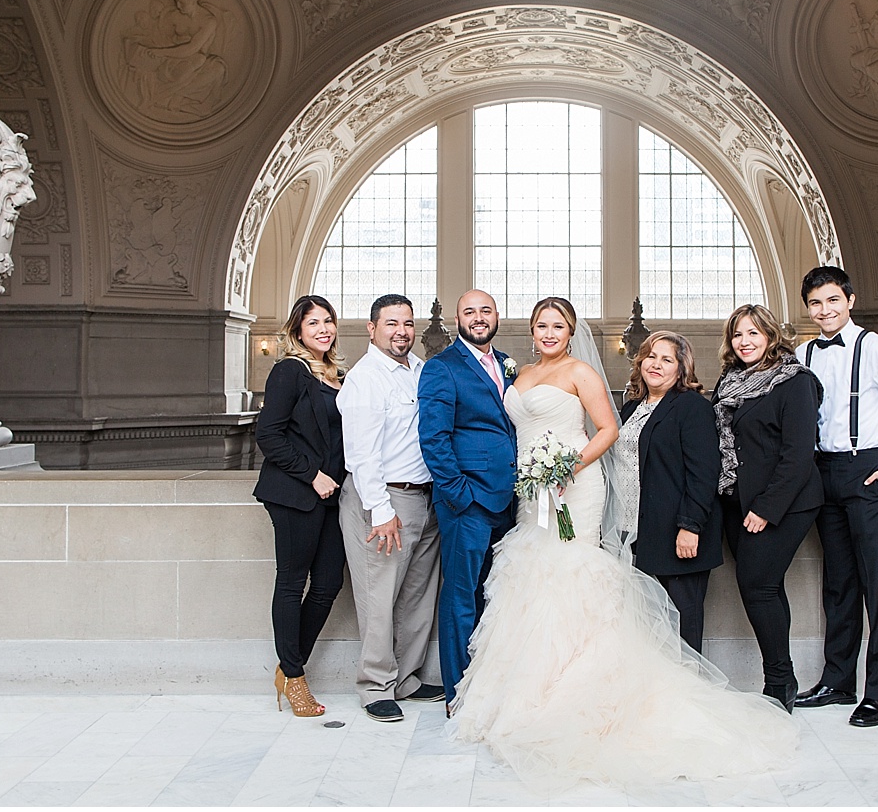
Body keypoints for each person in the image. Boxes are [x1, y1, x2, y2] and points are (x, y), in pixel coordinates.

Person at [450, 297, 797, 789]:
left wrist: (566, 467)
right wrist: (535, 474)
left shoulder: (585, 375)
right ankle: (533, 692)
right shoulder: (519, 372)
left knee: (572, 578)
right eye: (542, 325)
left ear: (573, 333)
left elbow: (608, 431)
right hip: (533, 492)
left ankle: (587, 691)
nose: (550, 333)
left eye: (560, 326)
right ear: (530, 331)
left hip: (573, 485)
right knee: (533, 579)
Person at [793, 265, 878, 728]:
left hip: (868, 470)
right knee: (838, 583)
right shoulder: (802, 353)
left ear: (849, 301)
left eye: (833, 300)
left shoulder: (877, 348)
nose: (825, 310)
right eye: (815, 303)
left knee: (877, 584)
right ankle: (837, 681)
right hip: (823, 472)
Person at [336, 294, 446, 723]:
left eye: (407, 323)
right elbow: (362, 455)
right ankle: (375, 685)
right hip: (383, 501)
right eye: (391, 324)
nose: (401, 331)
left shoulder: (418, 370)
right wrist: (381, 511)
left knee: (418, 596)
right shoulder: (365, 378)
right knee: (379, 597)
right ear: (371, 328)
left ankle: (406, 678)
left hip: (424, 498)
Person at [712, 304, 823, 714]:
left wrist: (765, 508)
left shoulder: (795, 382)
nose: (745, 342)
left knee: (758, 584)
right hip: (737, 503)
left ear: (772, 337)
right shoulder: (731, 382)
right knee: (765, 586)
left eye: (754, 334)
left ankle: (780, 681)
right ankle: (781, 677)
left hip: (783, 504)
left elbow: (798, 455)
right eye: (739, 334)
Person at [416, 289, 518, 709]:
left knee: (496, 594)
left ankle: (492, 679)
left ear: (497, 316)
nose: (478, 318)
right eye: (469, 312)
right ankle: (459, 693)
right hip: (468, 502)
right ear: (457, 320)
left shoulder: (508, 364)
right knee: (460, 596)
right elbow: (433, 437)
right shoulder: (442, 368)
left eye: (486, 310)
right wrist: (458, 493)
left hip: (510, 501)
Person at [253, 294, 346, 717]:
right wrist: (312, 474)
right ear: (296, 331)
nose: (323, 329)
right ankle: (294, 677)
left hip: (332, 498)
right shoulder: (289, 370)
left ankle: (289, 667)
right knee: (292, 583)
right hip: (295, 495)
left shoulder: (337, 374)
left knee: (327, 585)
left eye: (328, 321)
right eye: (313, 324)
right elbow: (269, 436)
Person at [616, 330, 722, 653]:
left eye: (667, 359)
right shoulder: (631, 407)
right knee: (646, 625)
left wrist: (690, 526)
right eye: (651, 356)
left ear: (681, 368)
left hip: (676, 533)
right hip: (635, 530)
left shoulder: (691, 406)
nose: (656, 365)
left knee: (682, 623)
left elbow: (704, 472)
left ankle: (688, 696)